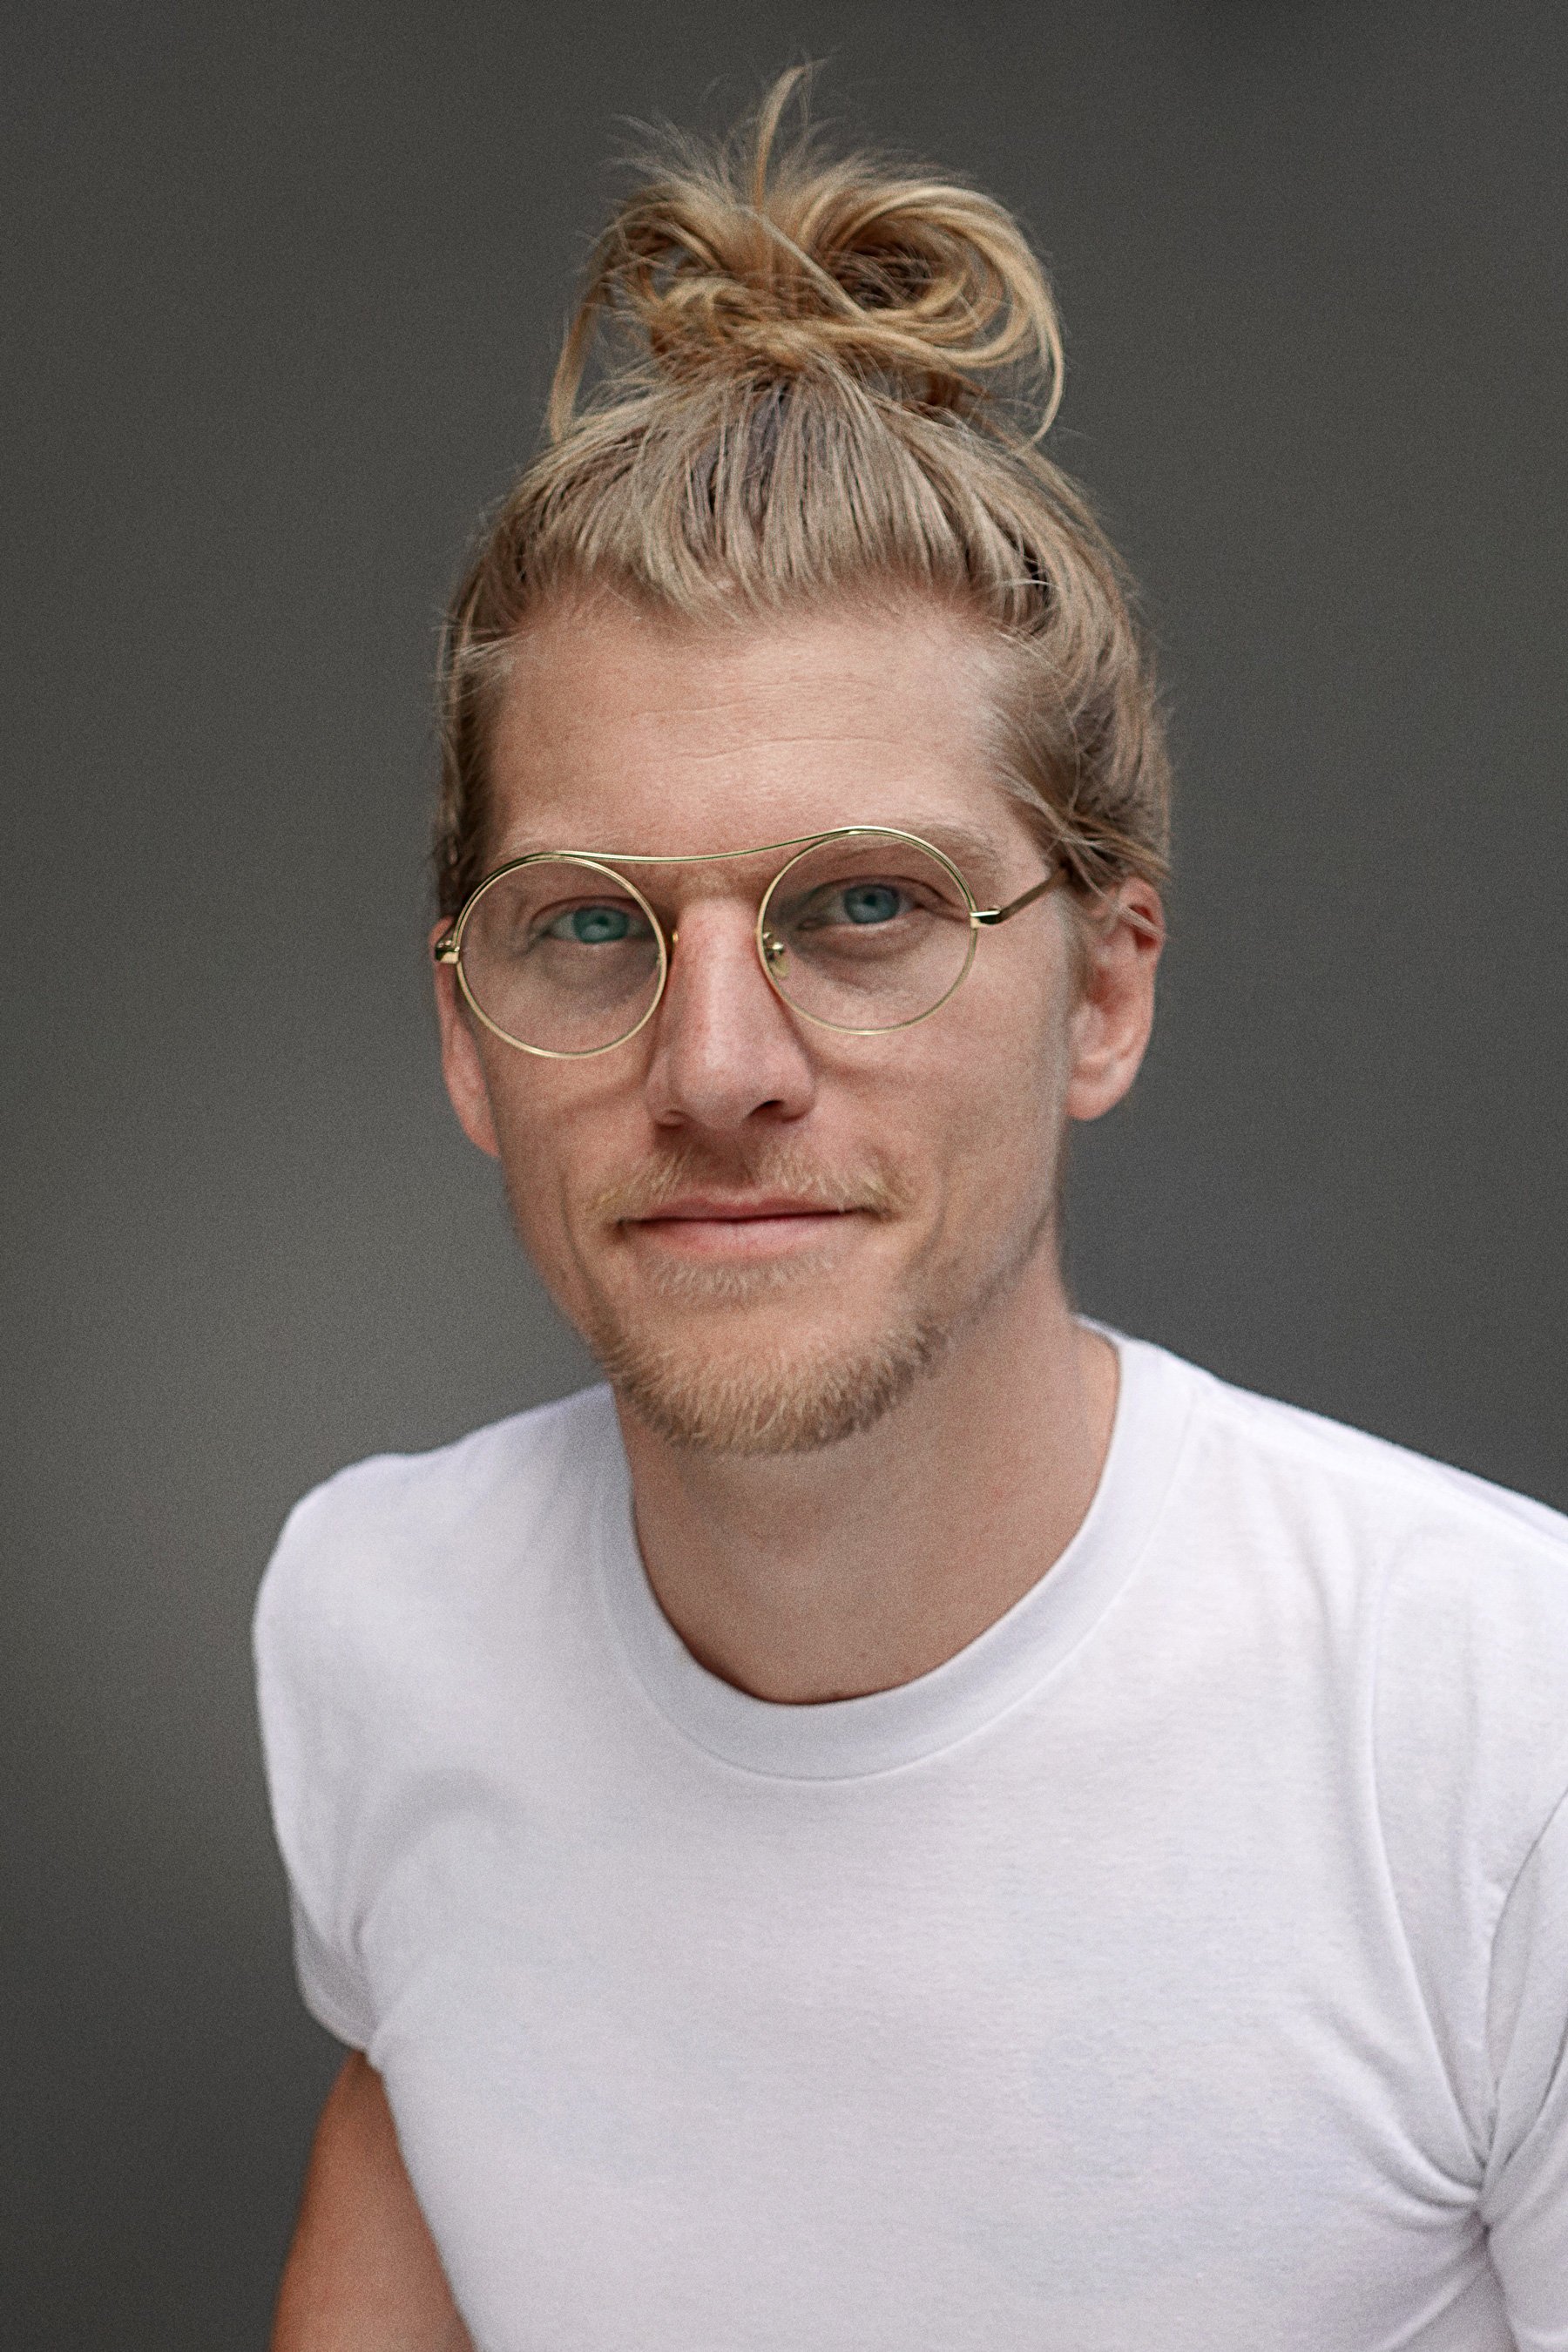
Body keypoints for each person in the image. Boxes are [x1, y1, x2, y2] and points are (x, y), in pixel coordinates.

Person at [254, 72, 1568, 2352]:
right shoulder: (377, 1624)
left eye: (864, 904)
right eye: (588, 924)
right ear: (466, 1033)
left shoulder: (1503, 1746)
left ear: (1106, 991)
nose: (719, 1060)